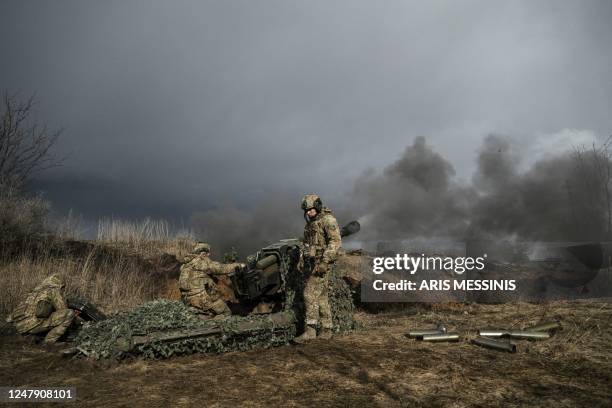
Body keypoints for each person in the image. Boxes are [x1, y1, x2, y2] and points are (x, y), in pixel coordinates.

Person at [294, 194, 341, 343]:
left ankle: (311, 331)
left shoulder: (328, 220)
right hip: (312, 264)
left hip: (321, 264)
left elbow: (335, 242)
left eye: (310, 209)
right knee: (321, 297)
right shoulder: (311, 223)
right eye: (306, 211)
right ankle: (327, 330)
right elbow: (307, 244)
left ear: (318, 206)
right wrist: (301, 260)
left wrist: (324, 263)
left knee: (309, 293)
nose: (308, 213)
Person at [178, 242, 243, 318]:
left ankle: (204, 315)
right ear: (202, 253)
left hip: (187, 301)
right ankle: (214, 325)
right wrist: (239, 265)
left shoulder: (185, 265)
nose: (209, 255)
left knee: (209, 313)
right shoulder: (201, 261)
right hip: (202, 299)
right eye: (207, 252)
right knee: (226, 312)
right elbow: (221, 268)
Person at [6, 274, 75, 343]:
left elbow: (10, 318)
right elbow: (63, 309)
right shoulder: (53, 290)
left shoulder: (33, 292)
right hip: (33, 325)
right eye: (63, 287)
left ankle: (35, 335)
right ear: (59, 284)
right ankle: (49, 341)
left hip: (20, 327)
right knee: (69, 313)